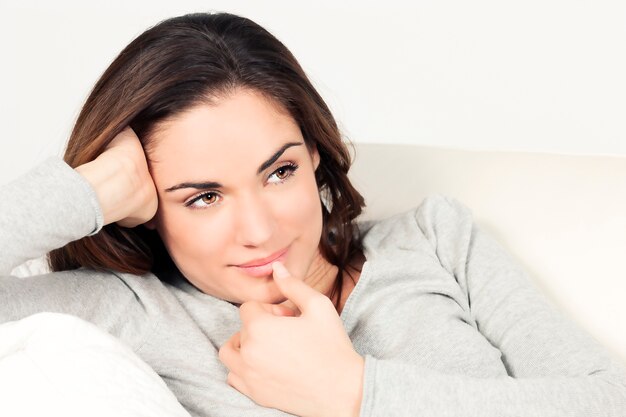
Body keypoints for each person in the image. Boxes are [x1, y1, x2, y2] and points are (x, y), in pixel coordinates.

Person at [1, 11, 625, 417]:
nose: (261, 230)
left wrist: (355, 394)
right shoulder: (138, 312)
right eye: (203, 197)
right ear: (146, 210)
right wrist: (87, 191)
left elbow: (609, 399)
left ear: (316, 154)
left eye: (280, 171)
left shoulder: (435, 238)